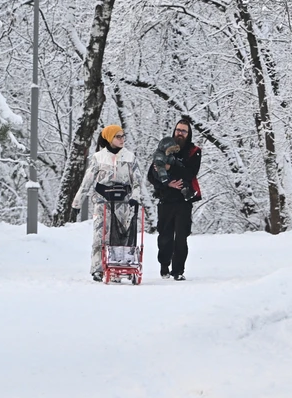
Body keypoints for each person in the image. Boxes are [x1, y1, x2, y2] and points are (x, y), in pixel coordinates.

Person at [72, 125, 142, 282]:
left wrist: (135, 198)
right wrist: (76, 204)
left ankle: (120, 267)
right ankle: (98, 268)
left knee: (122, 236)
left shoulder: (130, 157)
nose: (122, 139)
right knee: (100, 235)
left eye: (123, 136)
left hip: (123, 202)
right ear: (110, 138)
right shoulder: (99, 157)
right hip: (102, 201)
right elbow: (87, 181)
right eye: (118, 136)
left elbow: (137, 181)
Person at [147, 117, 201, 281]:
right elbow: (151, 175)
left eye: (184, 131)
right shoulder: (164, 148)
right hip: (166, 199)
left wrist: (172, 167)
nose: (180, 133)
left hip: (184, 200)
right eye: (178, 130)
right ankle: (164, 265)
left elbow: (191, 173)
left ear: (189, 133)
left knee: (181, 237)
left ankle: (178, 270)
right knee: (164, 237)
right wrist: (168, 183)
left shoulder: (194, 151)